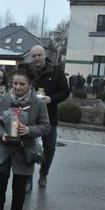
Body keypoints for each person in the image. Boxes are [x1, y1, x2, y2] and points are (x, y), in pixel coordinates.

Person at [0, 63, 50, 210]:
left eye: (22, 84)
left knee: (18, 189)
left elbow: (46, 126)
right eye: (15, 83)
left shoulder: (38, 103)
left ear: (29, 84)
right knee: (1, 176)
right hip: (5, 146)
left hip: (24, 149)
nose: (17, 87)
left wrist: (29, 130)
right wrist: (1, 134)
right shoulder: (6, 99)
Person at [27, 45, 70, 191]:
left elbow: (65, 92)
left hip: (49, 116)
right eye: (34, 56)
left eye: (39, 55)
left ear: (45, 55)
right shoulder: (28, 71)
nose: (37, 58)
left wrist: (51, 99)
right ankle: (27, 178)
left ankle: (43, 173)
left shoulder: (56, 71)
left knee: (50, 149)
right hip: (30, 116)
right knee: (28, 147)